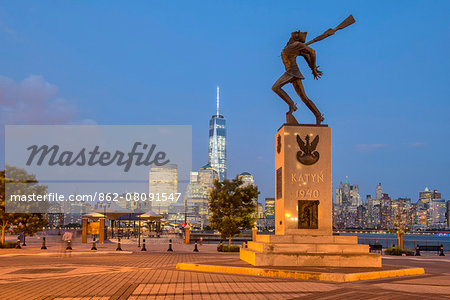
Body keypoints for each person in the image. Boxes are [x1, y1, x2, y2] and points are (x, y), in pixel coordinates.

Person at [272, 30, 324, 125]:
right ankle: (318, 115)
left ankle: (292, 105)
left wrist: (313, 67)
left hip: (292, 72)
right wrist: (312, 68)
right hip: (292, 73)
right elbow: (306, 55)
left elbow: (312, 52)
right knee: (304, 98)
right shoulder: (292, 46)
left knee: (275, 87)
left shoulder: (296, 45)